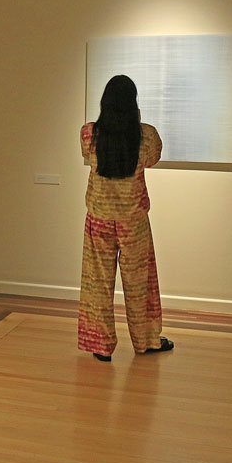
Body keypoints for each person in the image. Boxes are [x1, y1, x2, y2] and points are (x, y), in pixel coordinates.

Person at [78, 75, 173, 362]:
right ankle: (146, 340)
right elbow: (152, 159)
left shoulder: (89, 134)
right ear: (134, 103)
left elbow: (87, 155)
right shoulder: (147, 136)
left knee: (97, 283)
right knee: (140, 284)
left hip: (99, 218)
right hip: (133, 221)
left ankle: (100, 345)